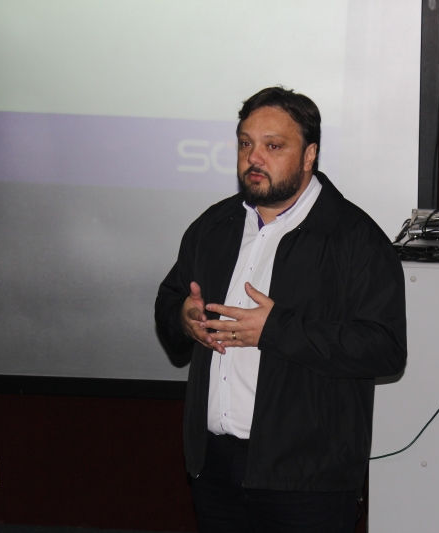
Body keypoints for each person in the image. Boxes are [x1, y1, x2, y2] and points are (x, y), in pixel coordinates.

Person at [155, 86, 407, 532]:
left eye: (273, 146)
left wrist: (275, 330)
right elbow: (170, 299)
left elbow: (384, 348)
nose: (254, 158)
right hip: (214, 467)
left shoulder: (355, 238)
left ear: (309, 155)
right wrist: (184, 318)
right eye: (245, 143)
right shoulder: (214, 225)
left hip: (307, 480)